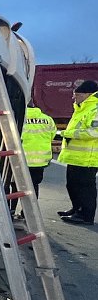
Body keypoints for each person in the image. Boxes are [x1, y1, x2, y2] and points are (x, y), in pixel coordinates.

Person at [58, 79, 98, 226]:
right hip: (76, 157)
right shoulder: (81, 109)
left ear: (87, 94)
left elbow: (95, 132)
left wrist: (69, 134)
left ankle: (85, 215)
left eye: (76, 95)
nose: (74, 98)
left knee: (85, 187)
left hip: (88, 158)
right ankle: (76, 209)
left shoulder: (95, 109)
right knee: (72, 185)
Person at [20, 100, 56, 199]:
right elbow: (52, 135)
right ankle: (30, 212)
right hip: (40, 161)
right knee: (33, 185)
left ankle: (12, 210)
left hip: (21, 159)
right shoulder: (47, 119)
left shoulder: (19, 118)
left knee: (16, 186)